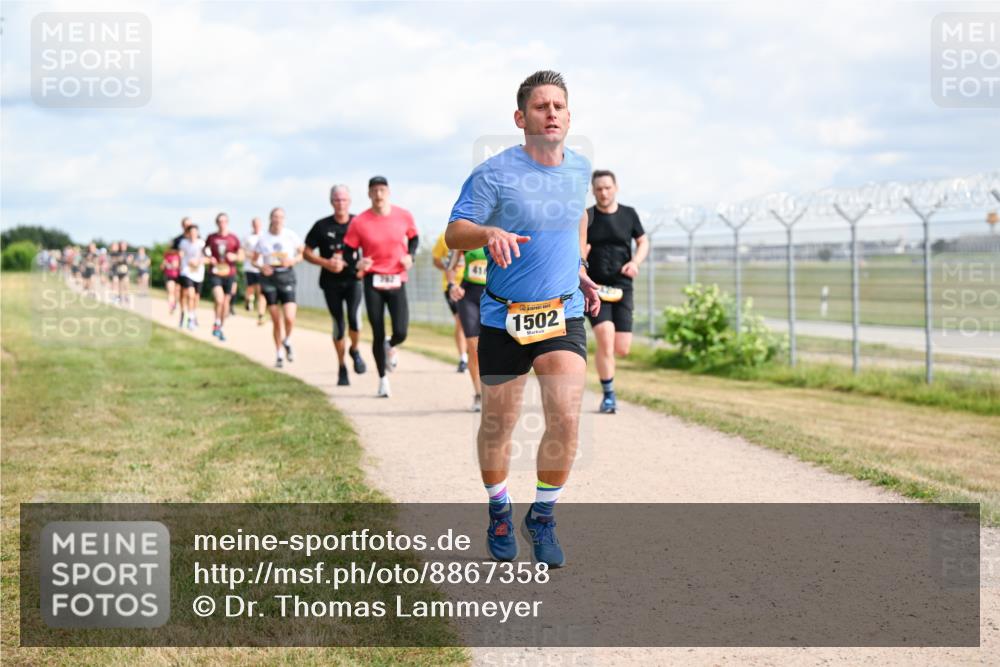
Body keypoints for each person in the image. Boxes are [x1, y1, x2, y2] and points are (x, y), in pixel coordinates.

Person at [445, 70, 599, 568]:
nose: (551, 113)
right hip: (503, 318)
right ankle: (499, 510)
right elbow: (454, 232)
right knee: (499, 424)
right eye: (541, 106)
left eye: (558, 106)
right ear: (521, 117)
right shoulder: (494, 173)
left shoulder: (579, 170)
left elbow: (576, 218)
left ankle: (544, 516)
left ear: (569, 117)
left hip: (562, 313)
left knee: (567, 420)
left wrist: (579, 270)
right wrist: (488, 232)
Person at [343, 176, 418, 398]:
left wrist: (410, 256)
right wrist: (357, 262)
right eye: (374, 190)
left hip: (396, 278)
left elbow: (414, 239)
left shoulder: (403, 215)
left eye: (382, 190)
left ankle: (391, 344)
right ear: (368, 194)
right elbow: (348, 250)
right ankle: (382, 380)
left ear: (388, 192)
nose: (378, 194)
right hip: (373, 279)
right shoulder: (359, 222)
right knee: (377, 330)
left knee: (401, 331)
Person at [584, 170, 648, 414]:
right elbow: (580, 248)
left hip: (622, 287)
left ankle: (608, 373)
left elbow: (643, 241)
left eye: (607, 188)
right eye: (599, 189)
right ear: (593, 190)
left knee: (622, 348)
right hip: (595, 288)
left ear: (616, 188)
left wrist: (635, 263)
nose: (603, 192)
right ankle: (608, 395)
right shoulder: (587, 217)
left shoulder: (629, 214)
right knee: (605, 338)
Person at [304, 185, 367, 386]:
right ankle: (342, 367)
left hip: (353, 280)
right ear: (332, 202)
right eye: (337, 200)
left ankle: (355, 350)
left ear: (350, 201)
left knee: (355, 321)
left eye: (344, 199)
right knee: (339, 325)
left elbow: (372, 248)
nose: (340, 203)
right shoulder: (321, 226)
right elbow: (306, 252)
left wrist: (363, 268)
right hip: (330, 282)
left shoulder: (359, 223)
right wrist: (326, 263)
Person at [254, 207, 304, 368]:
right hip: (269, 279)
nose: (278, 220)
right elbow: (255, 259)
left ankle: (287, 340)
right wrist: (262, 267)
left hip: (286, 276)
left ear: (284, 219)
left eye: (281, 217)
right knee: (276, 320)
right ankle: (279, 354)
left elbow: (303, 254)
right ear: (270, 218)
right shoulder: (263, 238)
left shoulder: (290, 235)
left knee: (289, 317)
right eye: (275, 217)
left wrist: (292, 261)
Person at [446, 243, 488, 411]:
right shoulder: (466, 236)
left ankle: (494, 391)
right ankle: (479, 394)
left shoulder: (502, 229)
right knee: (474, 348)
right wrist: (452, 285)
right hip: (468, 296)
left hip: (494, 297)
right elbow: (451, 267)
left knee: (494, 347)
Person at [432, 232, 468, 373]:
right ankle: (463, 359)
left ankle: (472, 351)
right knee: (460, 321)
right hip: (452, 285)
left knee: (475, 322)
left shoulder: (477, 235)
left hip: (472, 284)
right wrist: (449, 267)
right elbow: (435, 259)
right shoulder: (444, 237)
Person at [204, 212, 243, 342]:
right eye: (220, 221)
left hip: (229, 273)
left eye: (224, 221)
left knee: (226, 304)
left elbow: (242, 255)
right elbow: (205, 250)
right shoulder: (211, 237)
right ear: (217, 223)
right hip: (215, 272)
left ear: (227, 222)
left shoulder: (233, 238)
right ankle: (216, 321)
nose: (222, 224)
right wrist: (210, 258)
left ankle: (219, 327)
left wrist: (235, 257)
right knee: (219, 300)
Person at [178, 224, 206, 330]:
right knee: (190, 294)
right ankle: (188, 319)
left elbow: (207, 258)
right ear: (188, 233)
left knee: (196, 297)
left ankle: (192, 315)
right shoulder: (184, 243)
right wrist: (180, 258)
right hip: (186, 272)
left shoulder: (202, 243)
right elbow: (180, 253)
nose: (193, 234)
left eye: (195, 232)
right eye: (191, 232)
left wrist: (198, 262)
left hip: (198, 274)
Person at [242, 217, 266, 325]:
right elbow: (242, 251)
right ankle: (248, 300)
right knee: (250, 288)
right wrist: (251, 255)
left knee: (261, 292)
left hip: (261, 267)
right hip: (250, 267)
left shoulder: (265, 236)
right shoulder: (247, 237)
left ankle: (261, 315)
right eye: (254, 224)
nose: (256, 226)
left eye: (258, 224)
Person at [161, 246, 182, 312]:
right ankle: (171, 306)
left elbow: (181, 265)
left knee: (177, 292)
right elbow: (162, 267)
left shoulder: (179, 255)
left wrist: (177, 265)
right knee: (170, 291)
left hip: (178, 276)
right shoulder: (167, 256)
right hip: (169, 276)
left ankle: (175, 303)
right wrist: (165, 264)